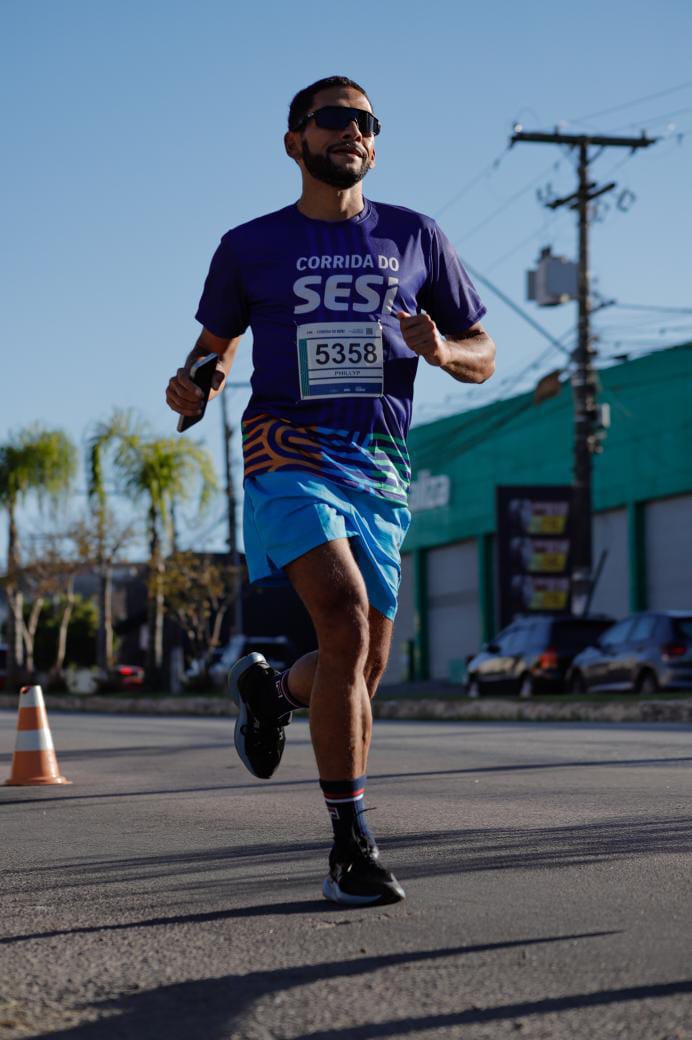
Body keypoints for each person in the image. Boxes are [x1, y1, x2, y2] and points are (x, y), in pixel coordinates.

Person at [166, 75, 495, 907]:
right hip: (288, 451)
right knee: (343, 622)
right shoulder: (250, 246)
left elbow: (482, 348)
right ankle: (351, 846)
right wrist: (196, 386)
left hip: (379, 465)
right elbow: (216, 346)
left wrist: (443, 352)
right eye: (335, 119)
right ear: (295, 142)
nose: (353, 131)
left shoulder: (417, 236)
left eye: (367, 122)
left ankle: (270, 691)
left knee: (364, 665)